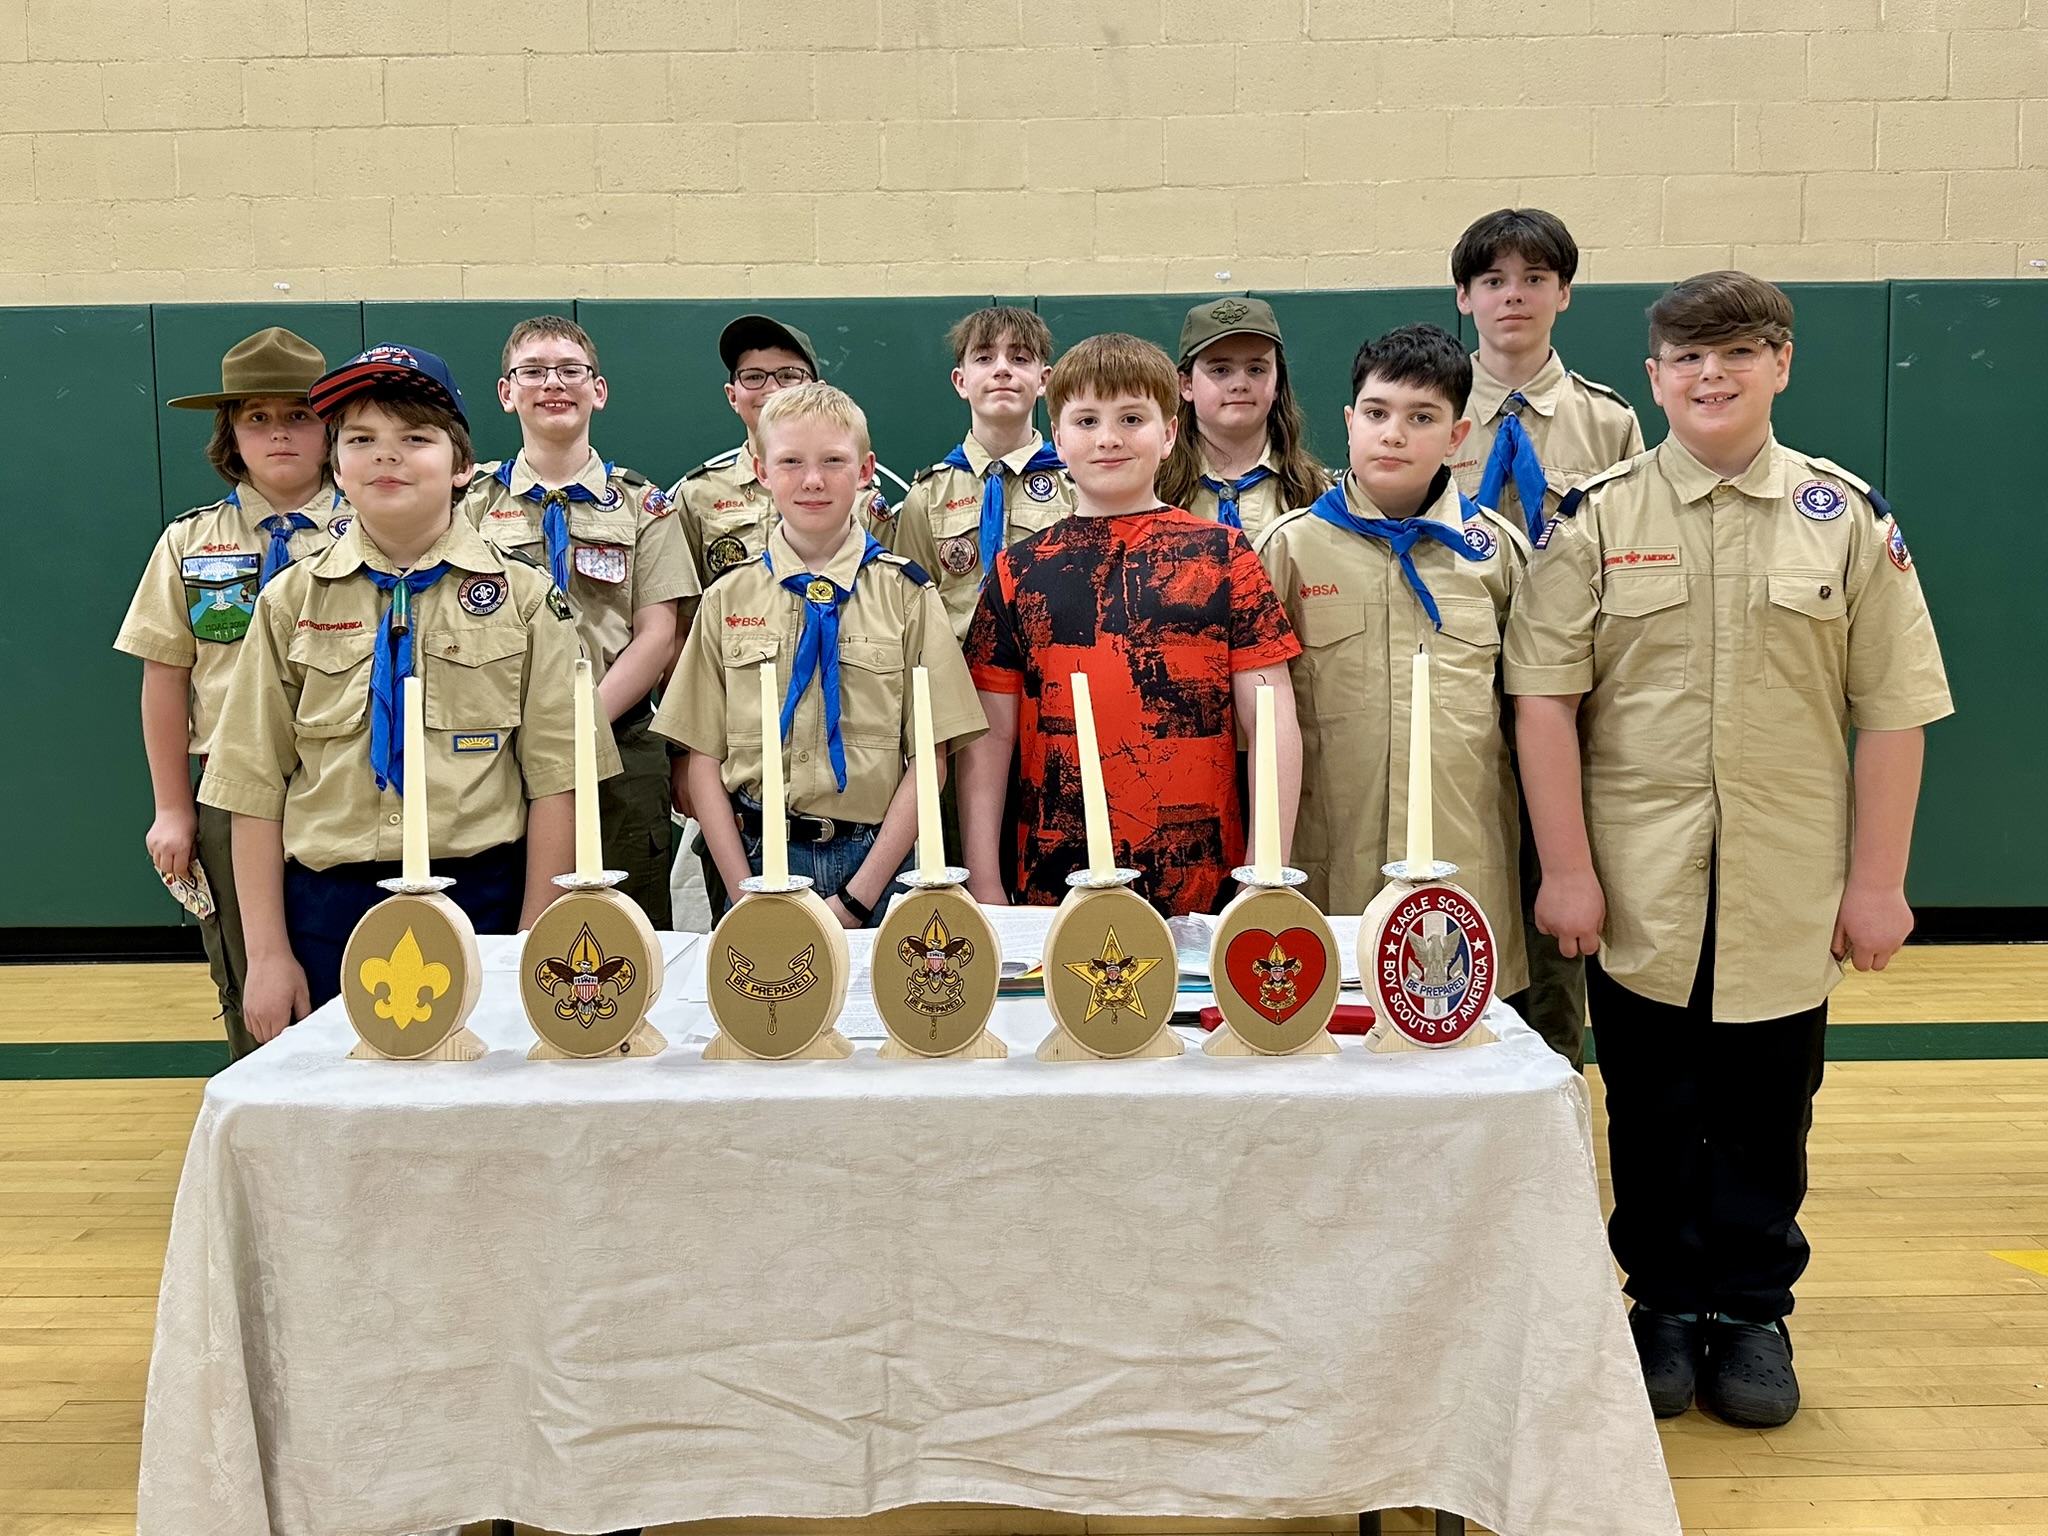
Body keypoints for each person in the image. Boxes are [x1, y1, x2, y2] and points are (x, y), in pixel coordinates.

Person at [1507, 272, 1953, 1428]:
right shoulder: (1597, 516)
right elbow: (1544, 700)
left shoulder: (1843, 518)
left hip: (1785, 887)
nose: (1711, 376)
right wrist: (1564, 868)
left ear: (1780, 364)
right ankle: (1658, 1304)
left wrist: (1876, 884)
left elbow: (1893, 708)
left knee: (1767, 1107)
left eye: (1737, 354)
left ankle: (1749, 1314)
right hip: (1640, 883)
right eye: (1686, 359)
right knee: (1649, 1104)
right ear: (1652, 378)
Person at [199, 345, 602, 1037]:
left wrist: (531, 941)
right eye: (361, 440)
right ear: (336, 468)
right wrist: (265, 955)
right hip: (326, 905)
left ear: (462, 467)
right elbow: (253, 788)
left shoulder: (526, 600)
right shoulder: (287, 601)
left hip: (484, 896)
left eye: (415, 438)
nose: (387, 456)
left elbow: (558, 781)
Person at [959, 333, 1301, 918]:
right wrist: (985, 881)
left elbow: (1272, 722)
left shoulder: (1225, 557)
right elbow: (990, 739)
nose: (1109, 438)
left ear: (1169, 433)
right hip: (1054, 880)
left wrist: (1267, 871)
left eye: (1132, 418)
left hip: (1204, 884)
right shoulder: (1018, 571)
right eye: (1087, 420)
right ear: (1058, 438)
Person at [1255, 324, 1527, 997]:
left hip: (1468, 872)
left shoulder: (1498, 555)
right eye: (1377, 414)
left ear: (1458, 437)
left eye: (1422, 418)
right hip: (1329, 873)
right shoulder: (1288, 551)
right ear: (1350, 422)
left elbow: (1533, 722)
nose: (1394, 434)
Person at [654, 382, 983, 927]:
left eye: (833, 461)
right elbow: (702, 763)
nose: (812, 480)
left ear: (865, 470)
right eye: (791, 462)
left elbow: (931, 759)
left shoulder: (908, 597)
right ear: (761, 471)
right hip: (751, 857)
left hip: (875, 862)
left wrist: (857, 900)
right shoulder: (724, 600)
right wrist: (742, 895)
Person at [1449, 206, 1648, 1068]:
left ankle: (1554, 1073)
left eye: (1534, 279)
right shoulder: (1428, 408)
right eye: (1493, 281)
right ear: (1465, 296)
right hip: (1460, 687)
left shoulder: (1608, 423)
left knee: (1559, 889)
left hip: (1569, 697)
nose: (1513, 297)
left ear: (1565, 293)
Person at [115, 327, 345, 1060]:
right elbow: (164, 675)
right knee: (252, 976)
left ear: (331, 427)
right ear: (231, 436)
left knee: (353, 964)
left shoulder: (370, 532)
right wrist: (172, 807)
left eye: (299, 415)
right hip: (228, 784)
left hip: (340, 778)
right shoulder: (190, 543)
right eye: (257, 418)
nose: (279, 433)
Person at [462, 315, 698, 928]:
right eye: (533, 371)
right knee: (513, 926)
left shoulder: (645, 504)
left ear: (599, 390)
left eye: (570, 370)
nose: (553, 384)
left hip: (617, 743)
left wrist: (578, 723)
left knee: (625, 933)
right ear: (506, 392)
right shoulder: (470, 505)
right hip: (497, 744)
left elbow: (658, 635)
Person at [889, 305, 1075, 640]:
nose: (1002, 369)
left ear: (1043, 380)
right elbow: (908, 608)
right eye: (984, 358)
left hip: (1050, 675)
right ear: (961, 381)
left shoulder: (1074, 489)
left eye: (1019, 359)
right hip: (958, 678)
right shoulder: (929, 497)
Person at [670, 314, 892, 588]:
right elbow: (684, 618)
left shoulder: (860, 501)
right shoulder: (697, 497)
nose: (773, 388)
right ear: (732, 396)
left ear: (818, 391)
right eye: (753, 377)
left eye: (789, 375)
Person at [1157, 297, 1331, 541]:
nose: (1239, 384)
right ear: (1186, 385)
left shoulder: (1316, 493)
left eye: (1256, 370)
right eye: (1220, 370)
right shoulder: (1150, 486)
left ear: (1277, 383)